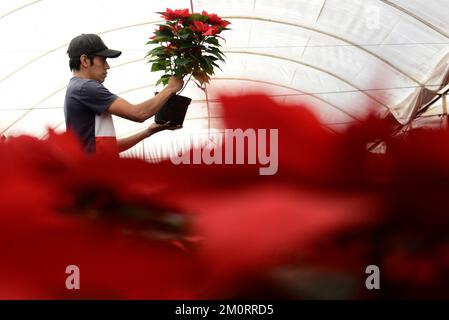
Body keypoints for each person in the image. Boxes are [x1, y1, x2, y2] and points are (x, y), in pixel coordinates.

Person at [64, 33, 184, 155]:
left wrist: (148, 132)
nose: (107, 66)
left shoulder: (76, 88)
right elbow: (138, 113)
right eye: (103, 60)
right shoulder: (86, 88)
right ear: (84, 60)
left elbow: (109, 147)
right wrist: (170, 88)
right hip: (93, 172)